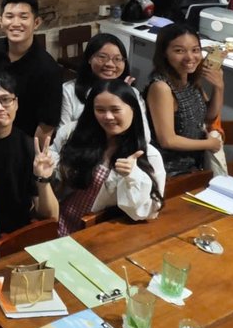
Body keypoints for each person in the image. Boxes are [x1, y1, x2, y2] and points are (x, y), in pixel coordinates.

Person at [54, 81, 168, 234]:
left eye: (116, 110)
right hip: (59, 221)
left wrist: (133, 176)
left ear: (133, 109)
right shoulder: (75, 135)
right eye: (100, 110)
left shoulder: (148, 155)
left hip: (100, 232)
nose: (108, 116)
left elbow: (148, 212)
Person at [0, 70, 58, 236]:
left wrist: (43, 180)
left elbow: (51, 216)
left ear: (16, 104)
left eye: (6, 100)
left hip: (13, 234)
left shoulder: (28, 147)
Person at [0, 0, 65, 149]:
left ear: (36, 22)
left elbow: (47, 124)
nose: (16, 23)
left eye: (24, 17)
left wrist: (32, 154)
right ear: (0, 21)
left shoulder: (48, 69)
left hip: (20, 146)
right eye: (9, 16)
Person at [144, 22, 224, 176]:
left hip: (194, 167)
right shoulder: (161, 87)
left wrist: (219, 87)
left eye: (195, 50)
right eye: (179, 51)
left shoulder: (190, 80)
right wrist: (208, 144)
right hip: (170, 172)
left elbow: (209, 116)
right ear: (164, 53)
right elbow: (168, 140)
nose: (190, 57)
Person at [54, 34, 142, 157]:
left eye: (117, 59)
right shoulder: (69, 90)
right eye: (102, 57)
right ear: (89, 59)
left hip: (123, 156)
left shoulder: (132, 92)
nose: (110, 64)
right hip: (82, 154)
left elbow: (143, 135)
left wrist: (123, 97)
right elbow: (62, 136)